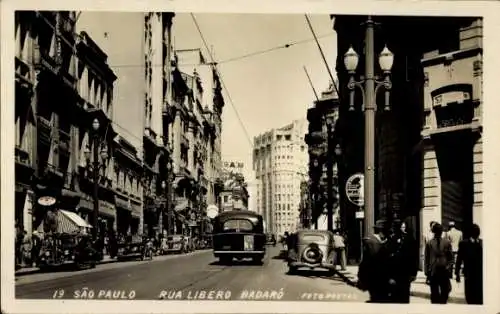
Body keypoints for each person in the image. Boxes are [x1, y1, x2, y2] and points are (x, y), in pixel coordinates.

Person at [357, 219, 391, 303]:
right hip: (374, 279)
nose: (388, 234)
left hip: (384, 280)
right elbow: (365, 262)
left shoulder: (384, 242)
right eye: (386, 231)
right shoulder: (371, 243)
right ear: (381, 231)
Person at [387, 220, 419, 303]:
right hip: (396, 272)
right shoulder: (393, 238)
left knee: (405, 293)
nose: (403, 229)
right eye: (401, 227)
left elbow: (414, 257)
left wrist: (414, 273)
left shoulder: (410, 239)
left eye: (404, 227)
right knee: (395, 295)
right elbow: (389, 257)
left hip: (406, 271)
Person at [425, 223, 453, 304]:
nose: (438, 233)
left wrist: (448, 267)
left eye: (439, 231)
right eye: (437, 231)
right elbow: (427, 258)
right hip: (433, 271)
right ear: (434, 232)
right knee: (434, 294)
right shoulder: (429, 243)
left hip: (443, 270)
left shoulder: (447, 242)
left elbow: (450, 258)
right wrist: (427, 272)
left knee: (445, 292)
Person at [455, 224, 483, 305]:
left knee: (479, 296)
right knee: (470, 297)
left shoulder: (482, 243)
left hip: (480, 274)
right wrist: (457, 273)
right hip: (469, 274)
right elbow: (459, 259)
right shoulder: (464, 244)